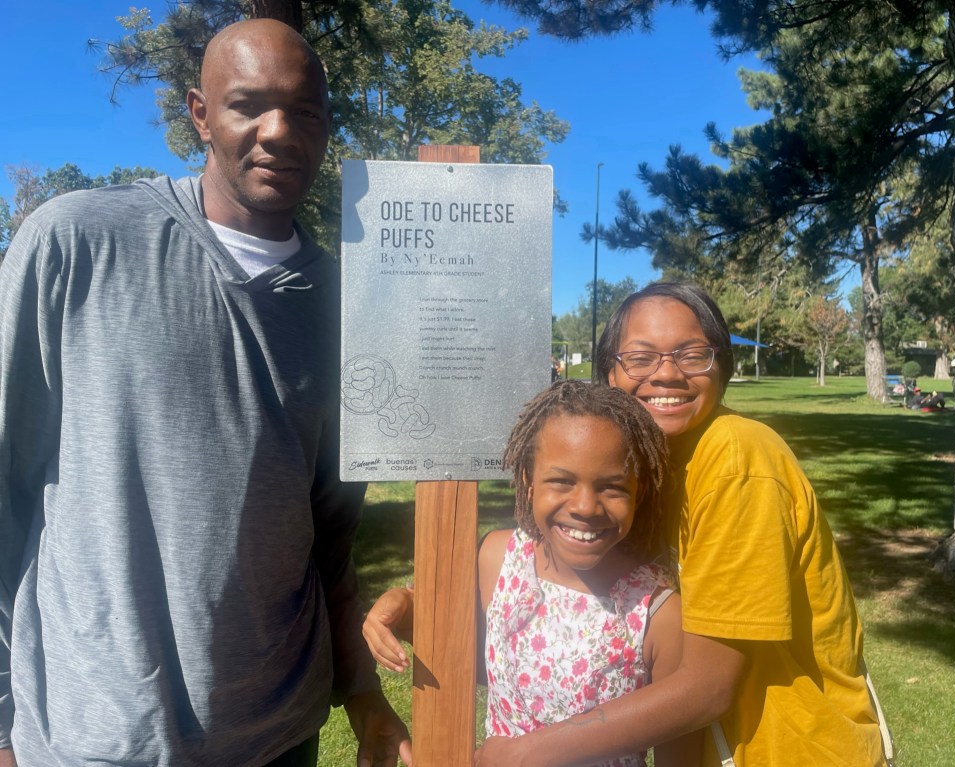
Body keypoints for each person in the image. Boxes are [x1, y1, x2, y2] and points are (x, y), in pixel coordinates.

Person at [0, 19, 410, 767]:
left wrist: (366, 698)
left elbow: (331, 535)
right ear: (199, 112)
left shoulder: (347, 305)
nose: (279, 131)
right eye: (248, 104)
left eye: (305, 111)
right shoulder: (76, 241)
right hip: (94, 736)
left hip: (279, 734)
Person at [474, 282, 888, 767]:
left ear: (721, 366)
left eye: (693, 355)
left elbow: (708, 687)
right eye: (641, 358)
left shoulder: (736, 459)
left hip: (788, 748)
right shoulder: (651, 464)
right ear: (610, 372)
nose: (667, 374)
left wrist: (528, 752)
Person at [363, 380, 704, 766]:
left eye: (612, 487)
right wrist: (404, 604)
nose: (586, 507)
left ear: (639, 493)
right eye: (561, 481)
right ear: (527, 482)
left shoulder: (657, 616)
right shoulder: (498, 559)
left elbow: (682, 754)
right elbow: (463, 648)